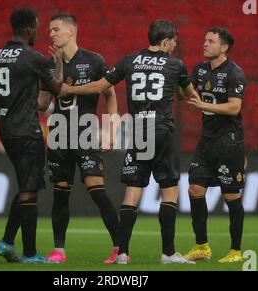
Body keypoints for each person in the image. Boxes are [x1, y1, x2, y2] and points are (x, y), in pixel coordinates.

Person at [60, 19, 198, 265]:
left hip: (138, 132)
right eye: (174, 41)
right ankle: (168, 253)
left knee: (132, 192)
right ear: (165, 41)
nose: (175, 46)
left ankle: (122, 253)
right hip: (161, 130)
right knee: (169, 192)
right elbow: (188, 95)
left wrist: (70, 90)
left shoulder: (129, 60)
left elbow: (100, 86)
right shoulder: (175, 64)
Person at [39, 13, 120, 264]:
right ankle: (58, 250)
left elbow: (110, 94)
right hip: (59, 133)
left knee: (96, 189)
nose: (51, 34)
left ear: (71, 31)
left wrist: (110, 129)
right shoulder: (48, 64)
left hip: (85, 131)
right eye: (50, 30)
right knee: (60, 192)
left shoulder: (94, 60)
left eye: (56, 29)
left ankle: (120, 248)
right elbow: (43, 103)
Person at [0, 8, 63, 264]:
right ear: (29, 29)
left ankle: (7, 241)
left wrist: (8, 112)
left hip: (7, 130)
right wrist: (59, 64)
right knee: (29, 191)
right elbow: (57, 88)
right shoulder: (33, 58)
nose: (39, 31)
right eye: (38, 26)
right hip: (27, 132)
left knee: (26, 187)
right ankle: (30, 254)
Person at [184, 27, 247, 263]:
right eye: (204, 40)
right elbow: (186, 92)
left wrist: (204, 106)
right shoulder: (200, 69)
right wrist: (177, 79)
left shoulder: (234, 73)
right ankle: (202, 246)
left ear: (224, 47)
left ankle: (235, 251)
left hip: (228, 143)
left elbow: (234, 107)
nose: (205, 44)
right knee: (194, 190)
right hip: (206, 142)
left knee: (231, 195)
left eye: (210, 41)